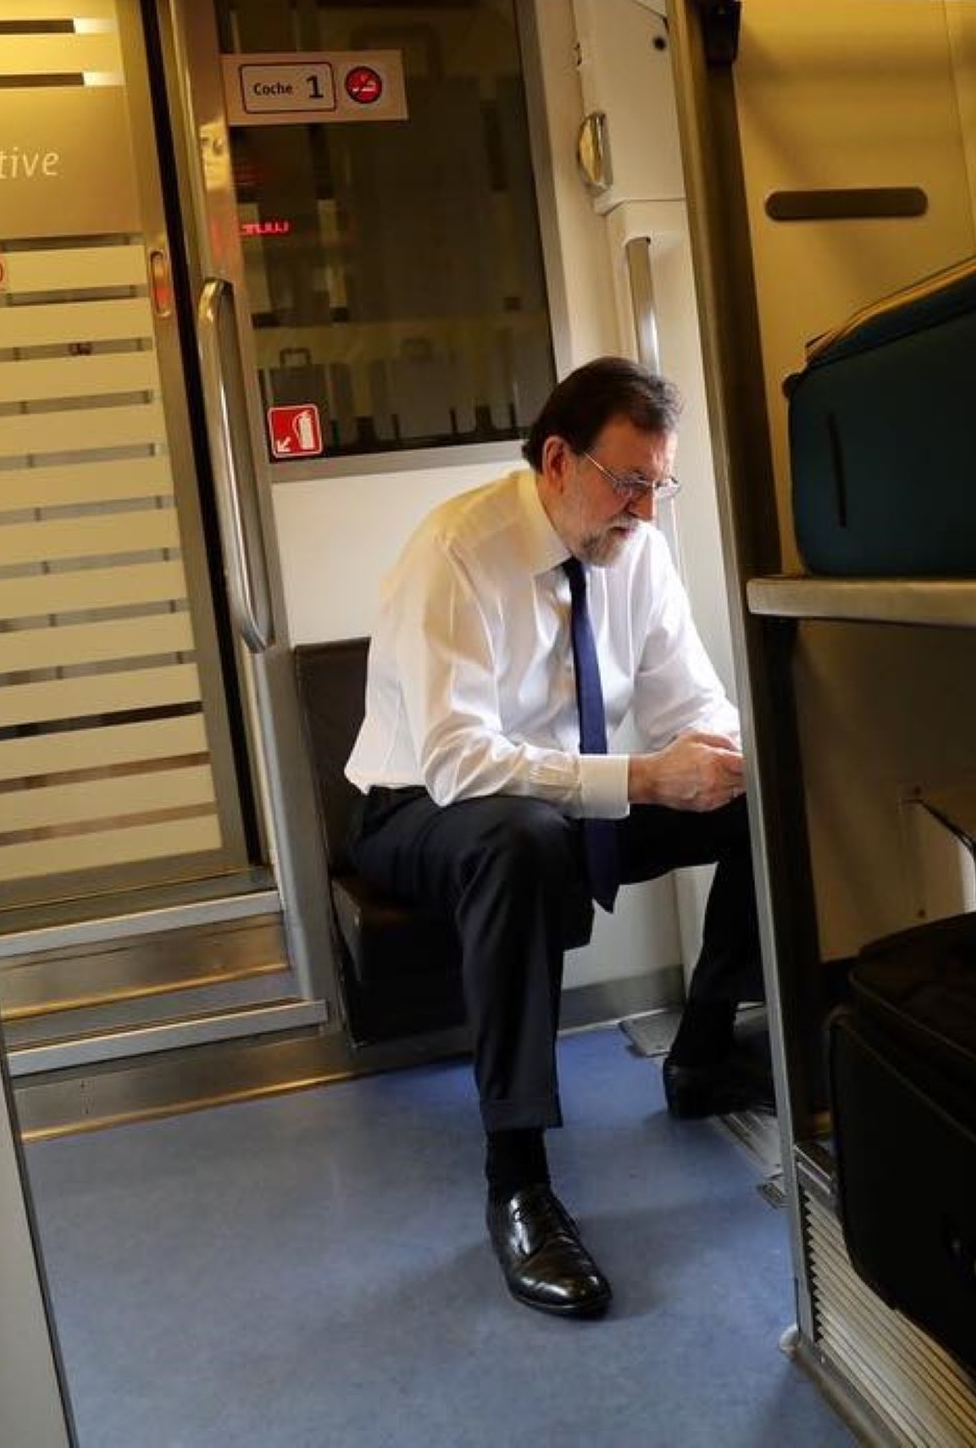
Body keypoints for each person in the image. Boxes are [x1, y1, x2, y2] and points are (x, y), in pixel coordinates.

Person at [344, 356, 768, 1320]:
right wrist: (644, 777)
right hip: (416, 807)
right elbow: (459, 764)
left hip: (547, 799)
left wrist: (735, 755)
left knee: (757, 798)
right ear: (556, 461)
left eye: (657, 487)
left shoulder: (635, 552)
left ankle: (702, 1054)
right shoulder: (455, 549)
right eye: (629, 484)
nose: (646, 512)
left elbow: (686, 699)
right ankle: (519, 1181)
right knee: (521, 841)